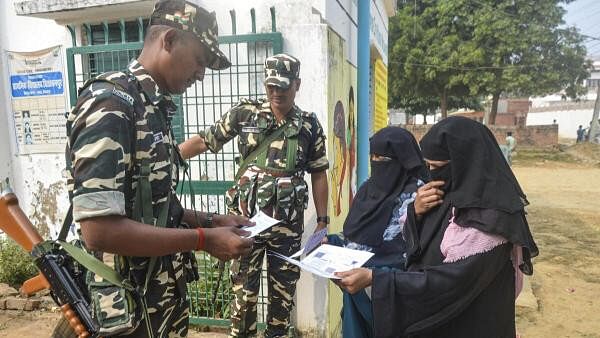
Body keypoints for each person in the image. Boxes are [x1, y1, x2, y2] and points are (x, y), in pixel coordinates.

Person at [65, 1, 254, 337]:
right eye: (199, 60)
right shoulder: (110, 105)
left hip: (160, 301)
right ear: (168, 40)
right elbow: (98, 230)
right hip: (127, 311)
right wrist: (203, 239)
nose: (201, 74)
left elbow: (154, 208)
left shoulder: (151, 108)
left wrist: (212, 221)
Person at [335, 117, 538, 338]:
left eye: (437, 167)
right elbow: (420, 248)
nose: (430, 174)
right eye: (427, 165)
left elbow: (451, 281)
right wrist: (416, 212)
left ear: (465, 164)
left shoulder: (492, 220)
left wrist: (378, 279)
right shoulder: (447, 196)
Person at [179, 53, 329, 337]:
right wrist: (171, 156)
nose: (276, 92)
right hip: (245, 225)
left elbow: (319, 172)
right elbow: (206, 140)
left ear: (297, 84)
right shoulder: (245, 113)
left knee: (282, 300)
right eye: (271, 86)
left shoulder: (309, 124)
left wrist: (322, 220)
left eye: (283, 86)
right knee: (243, 300)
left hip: (287, 229)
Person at [327, 126, 428, 338]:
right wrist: (332, 242)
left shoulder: (419, 195)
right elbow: (354, 233)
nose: (375, 162)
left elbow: (414, 246)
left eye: (381, 158)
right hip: (355, 286)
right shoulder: (367, 188)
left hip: (392, 291)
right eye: (372, 156)